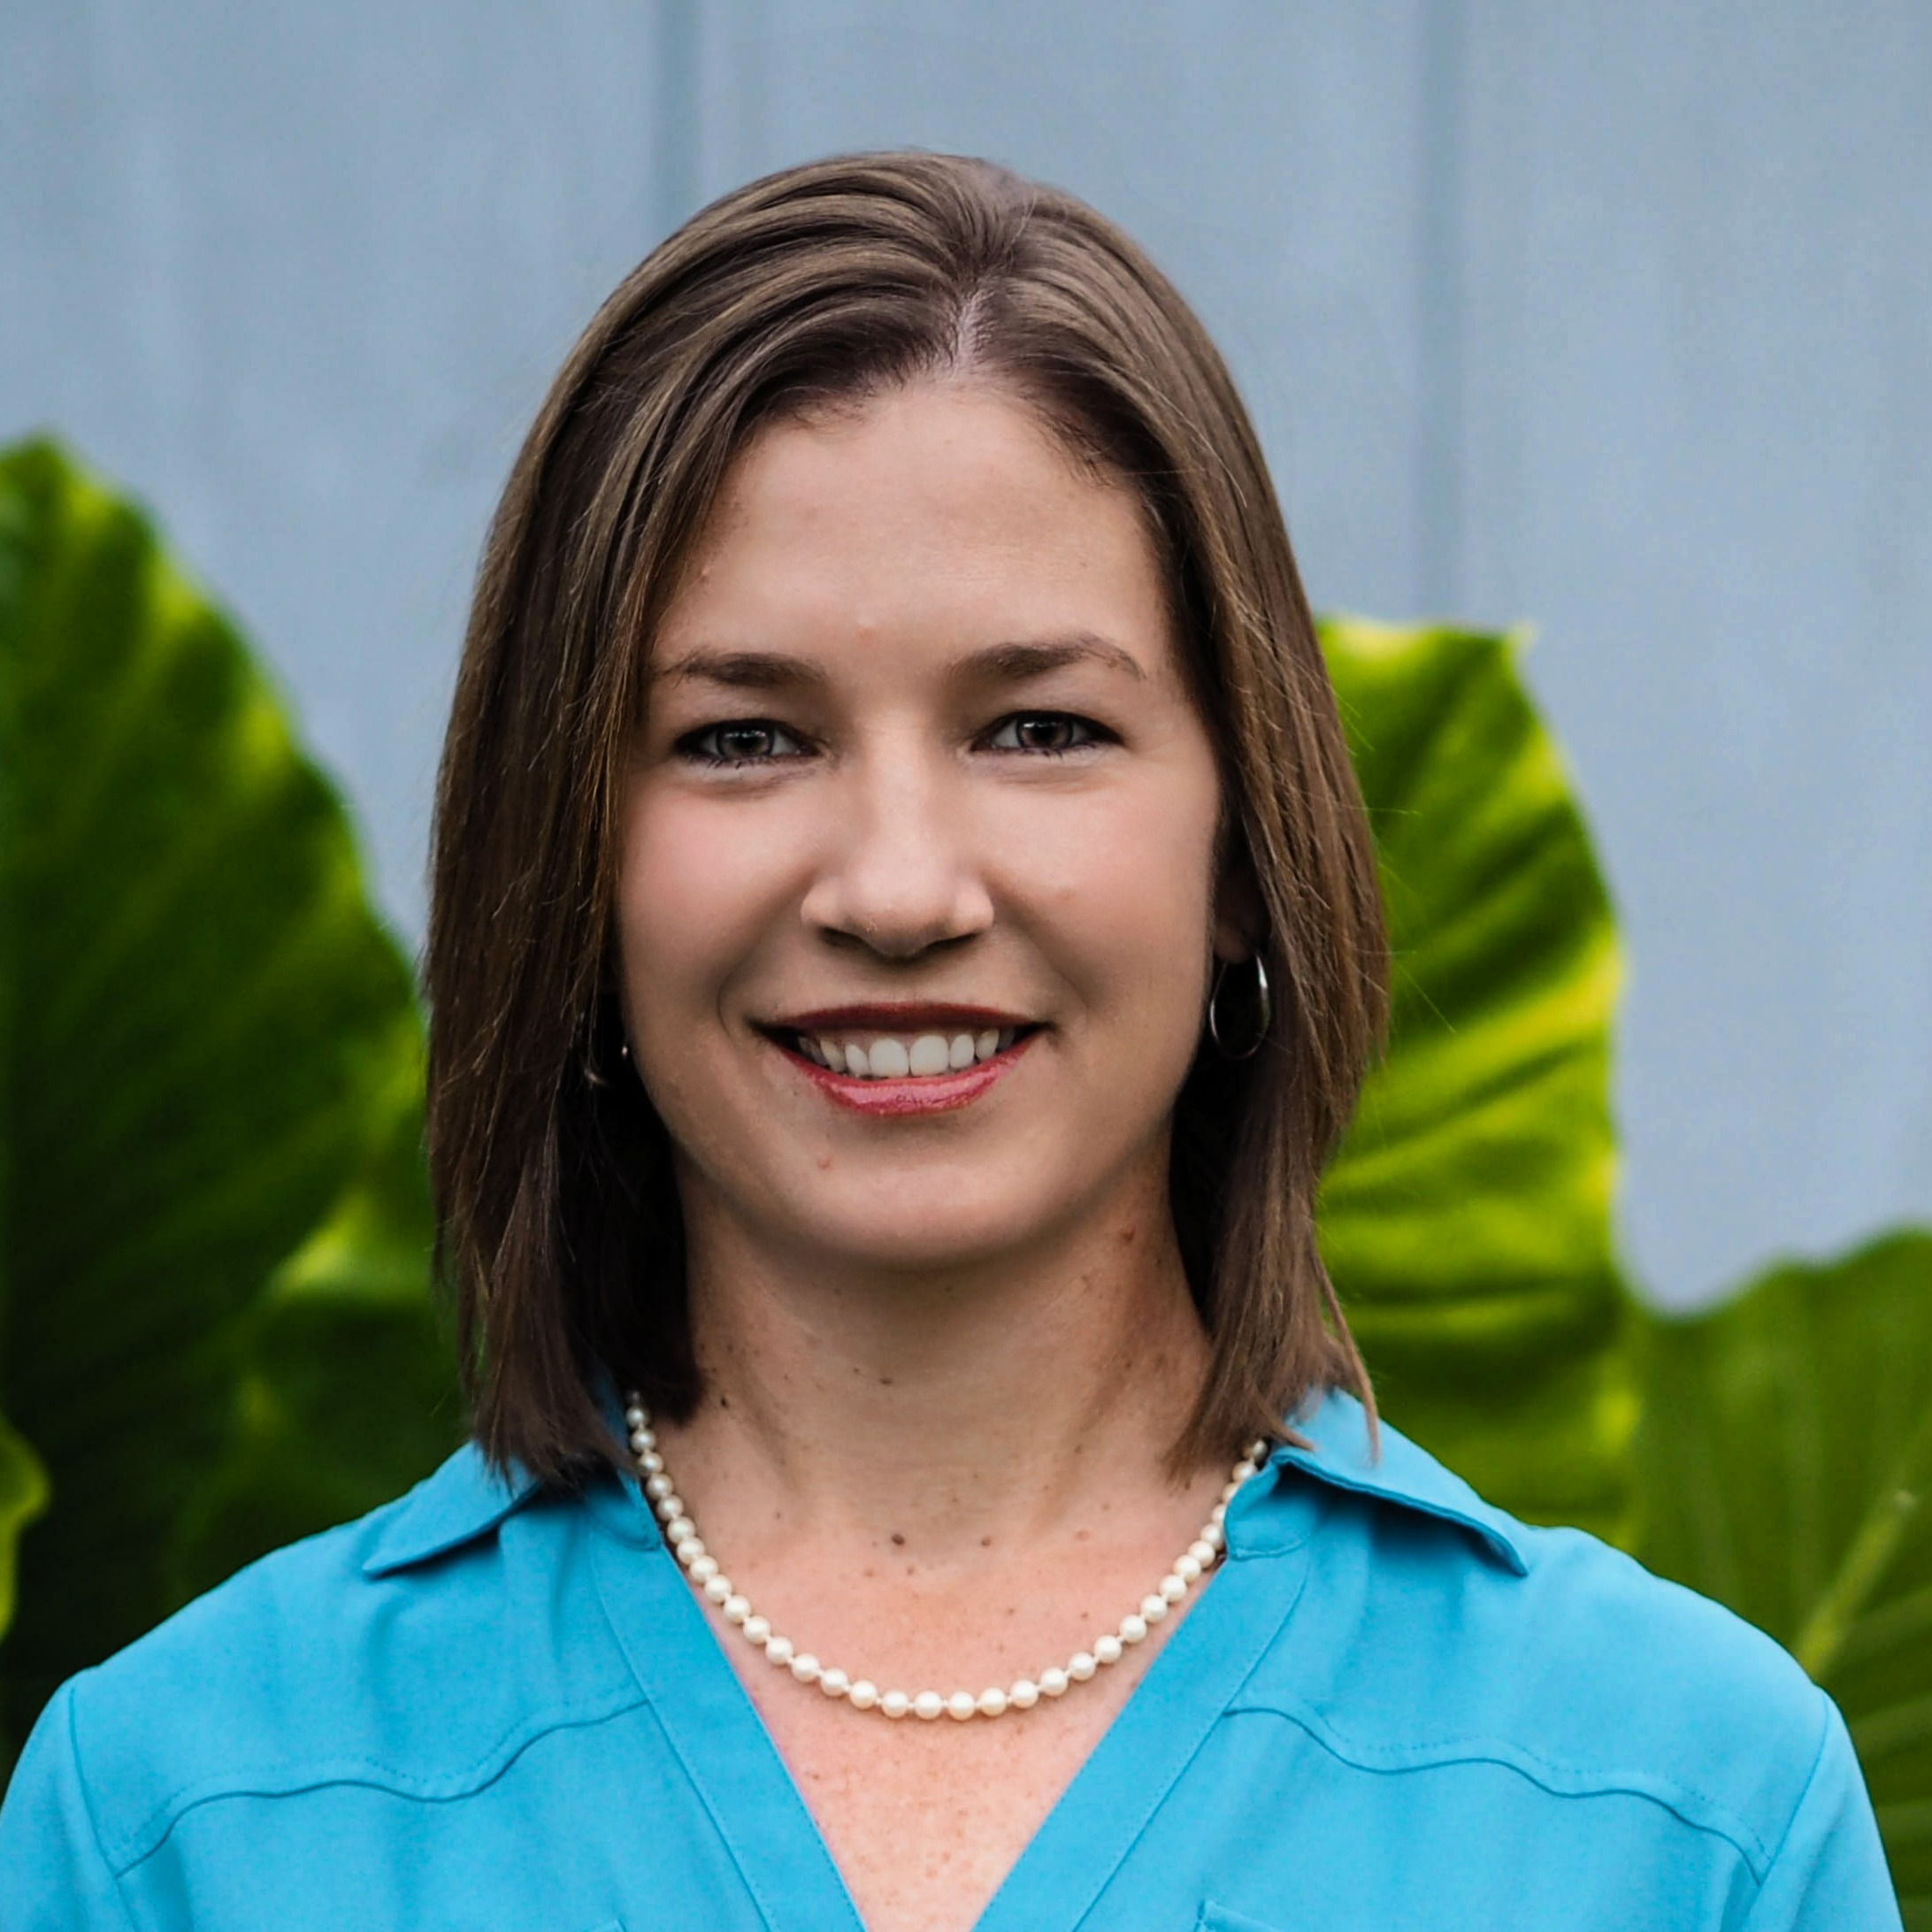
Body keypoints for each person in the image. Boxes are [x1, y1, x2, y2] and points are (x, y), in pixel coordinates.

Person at [0, 152, 1898, 1931]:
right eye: (744, 735)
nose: (898, 889)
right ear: (567, 850)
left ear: (1246, 842)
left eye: (1039, 728)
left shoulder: (1678, 1816)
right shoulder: (184, 1817)